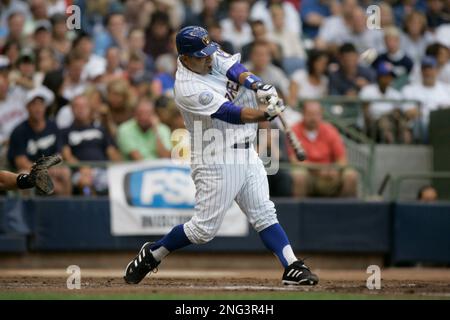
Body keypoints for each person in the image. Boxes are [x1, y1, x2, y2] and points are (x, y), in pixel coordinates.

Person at [123, 26, 319, 286]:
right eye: (200, 56)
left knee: (264, 213)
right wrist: (264, 114)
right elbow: (230, 113)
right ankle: (154, 252)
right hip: (216, 157)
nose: (208, 59)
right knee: (202, 231)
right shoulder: (187, 87)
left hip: (246, 151)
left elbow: (234, 69)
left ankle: (292, 266)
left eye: (208, 53)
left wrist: (257, 84)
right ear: (184, 57)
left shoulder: (208, 55)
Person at [7, 86, 72, 196]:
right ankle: (26, 211)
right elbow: (20, 161)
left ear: (45, 107)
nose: (38, 108)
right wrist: (41, 173)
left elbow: (59, 155)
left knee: (65, 172)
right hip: (30, 171)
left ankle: (66, 208)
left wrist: (48, 171)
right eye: (34, 104)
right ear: (27, 107)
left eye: (41, 104)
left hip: (51, 169)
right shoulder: (19, 131)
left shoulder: (53, 126)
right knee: (23, 175)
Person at [289, 101, 358, 198]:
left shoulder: (330, 130)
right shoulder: (294, 130)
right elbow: (293, 161)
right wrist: (318, 169)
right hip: (309, 174)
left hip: (330, 174)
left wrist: (334, 169)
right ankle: (298, 211)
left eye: (316, 114)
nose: (313, 118)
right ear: (303, 114)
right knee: (298, 175)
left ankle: (347, 210)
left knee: (351, 175)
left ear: (321, 115)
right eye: (310, 114)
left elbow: (342, 159)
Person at [61, 94, 121, 196]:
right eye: (77, 106)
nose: (81, 110)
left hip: (103, 170)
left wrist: (117, 167)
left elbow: (111, 151)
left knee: (117, 180)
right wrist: (82, 168)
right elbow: (67, 155)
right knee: (85, 183)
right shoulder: (65, 132)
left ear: (89, 109)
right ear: (71, 109)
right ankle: (91, 206)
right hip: (80, 172)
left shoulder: (101, 129)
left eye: (84, 106)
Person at [359, 61, 410, 143]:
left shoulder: (395, 93)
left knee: (402, 122)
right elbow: (366, 113)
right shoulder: (368, 90)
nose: (388, 79)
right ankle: (390, 145)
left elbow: (397, 112)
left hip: (391, 122)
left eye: (390, 77)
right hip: (373, 124)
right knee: (384, 122)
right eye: (386, 76)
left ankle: (407, 146)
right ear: (379, 77)